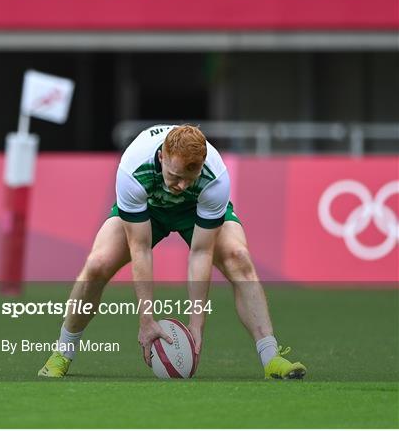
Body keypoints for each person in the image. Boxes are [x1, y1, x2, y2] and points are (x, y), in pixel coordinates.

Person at [38, 124, 306, 379]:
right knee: (97, 264)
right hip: (149, 210)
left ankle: (270, 357)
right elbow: (140, 249)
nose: (182, 187)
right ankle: (63, 351)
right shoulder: (134, 168)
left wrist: (197, 323)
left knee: (239, 257)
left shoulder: (215, 178)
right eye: (175, 177)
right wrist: (146, 319)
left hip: (194, 211)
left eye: (190, 179)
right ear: (161, 157)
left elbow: (201, 253)